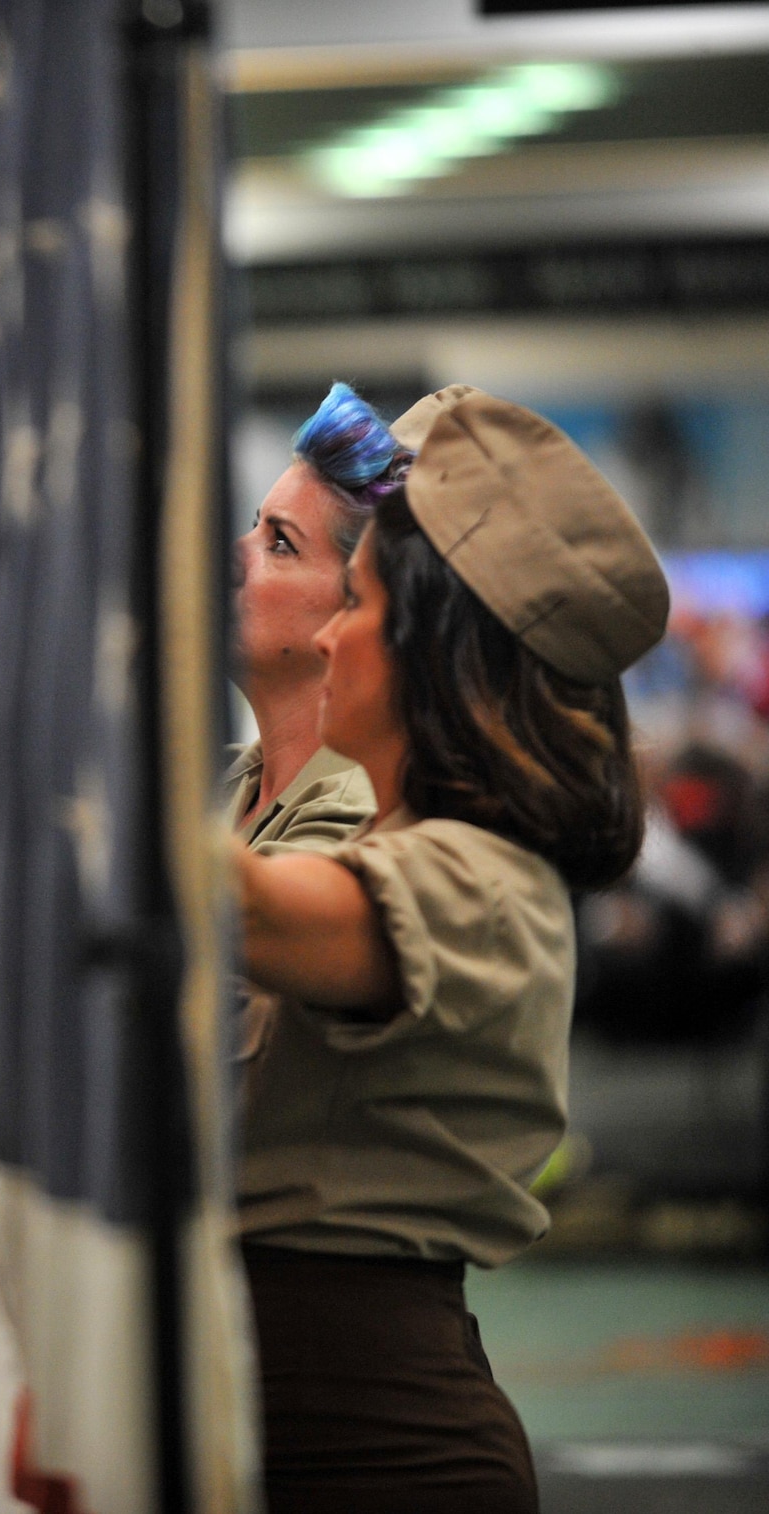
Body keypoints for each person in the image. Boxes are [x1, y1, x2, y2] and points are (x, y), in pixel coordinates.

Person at [231, 385, 669, 1514]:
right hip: (266, 1412)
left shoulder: (480, 876)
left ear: (435, 650)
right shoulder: (407, 842)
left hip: (367, 1442)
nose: (329, 633)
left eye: (357, 599)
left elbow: (235, 910)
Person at [228, 383, 387, 852]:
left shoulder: (354, 817)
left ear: (360, 609)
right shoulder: (220, 782)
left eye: (280, 544)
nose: (235, 553)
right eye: (256, 524)